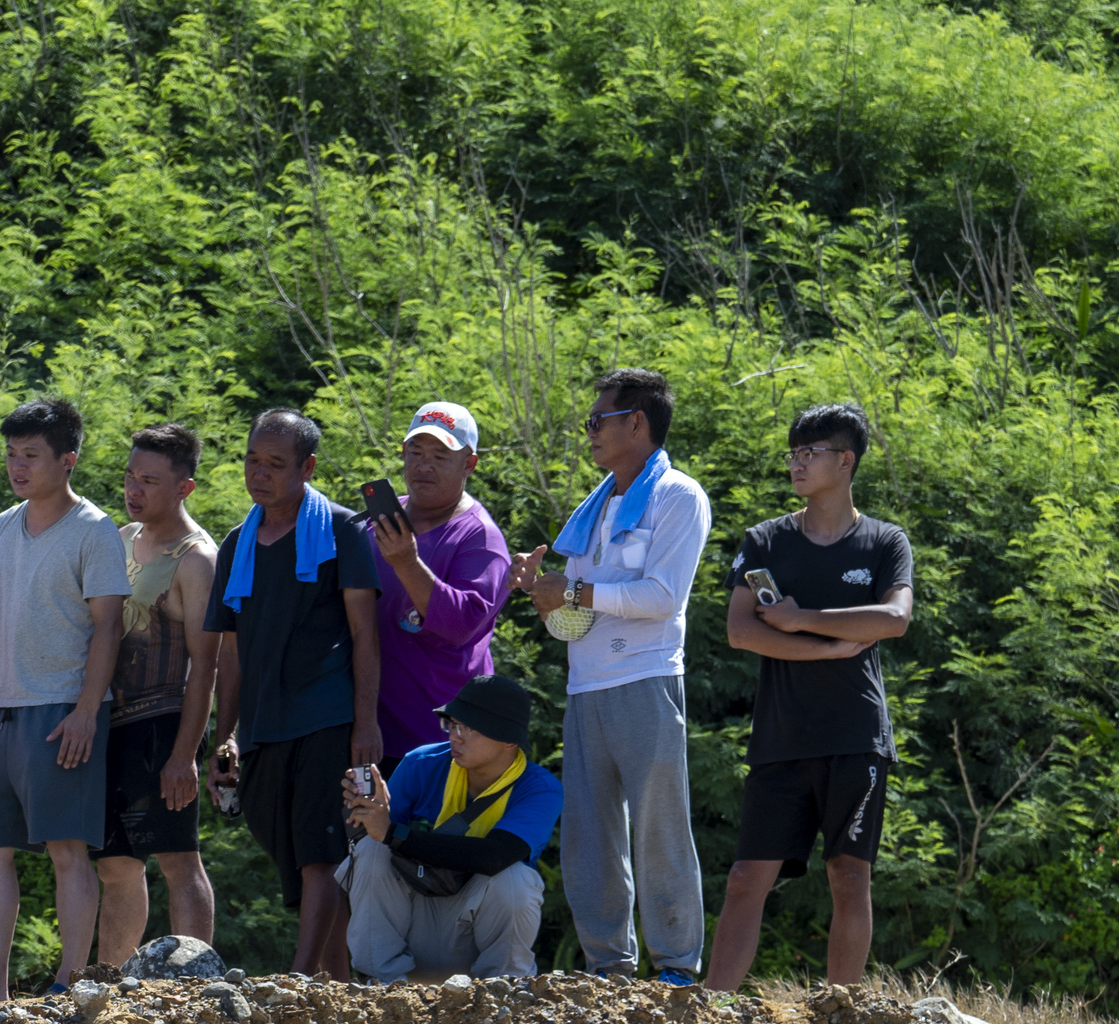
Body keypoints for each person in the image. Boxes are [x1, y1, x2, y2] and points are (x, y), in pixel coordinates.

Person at [712, 403, 915, 988]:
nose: (796, 464)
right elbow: (741, 631)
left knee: (849, 877)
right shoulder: (765, 540)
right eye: (793, 453)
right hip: (781, 736)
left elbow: (894, 619)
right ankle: (712, 1011)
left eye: (810, 453)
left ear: (846, 461)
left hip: (856, 736)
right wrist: (827, 647)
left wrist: (802, 620)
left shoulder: (885, 541)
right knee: (746, 878)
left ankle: (838, 1011)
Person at [518, 366, 712, 980]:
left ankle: (676, 968)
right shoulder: (595, 506)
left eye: (599, 420)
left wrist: (572, 590)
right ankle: (608, 969)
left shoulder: (679, 495)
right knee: (588, 836)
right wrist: (541, 593)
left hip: (647, 679)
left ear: (637, 423)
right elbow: (574, 618)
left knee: (659, 830)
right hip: (586, 684)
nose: (591, 431)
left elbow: (662, 597)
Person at [0, 395, 127, 1000]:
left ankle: (69, 983)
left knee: (66, 850)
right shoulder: (4, 523)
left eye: (30, 455)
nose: (17, 466)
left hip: (62, 710)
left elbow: (109, 625)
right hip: (1, 712)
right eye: (11, 455)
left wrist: (86, 711)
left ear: (67, 460)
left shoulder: (95, 530)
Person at [202, 408, 384, 977]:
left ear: (307, 468)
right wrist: (225, 735)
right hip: (263, 723)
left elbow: (364, 634)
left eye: (275, 464)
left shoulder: (343, 530)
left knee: (319, 853)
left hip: (325, 713)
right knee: (290, 850)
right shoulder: (237, 544)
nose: (259, 473)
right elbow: (230, 652)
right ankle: (338, 984)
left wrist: (365, 721)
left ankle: (300, 980)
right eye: (252, 460)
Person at [343, 671, 559, 983]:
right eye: (453, 724)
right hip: (413, 928)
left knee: (516, 878)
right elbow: (372, 843)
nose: (455, 736)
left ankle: (505, 988)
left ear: (509, 741)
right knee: (371, 850)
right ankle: (384, 984)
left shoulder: (538, 788)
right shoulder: (421, 763)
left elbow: (495, 856)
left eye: (469, 728)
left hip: (470, 936)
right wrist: (361, 815)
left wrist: (394, 833)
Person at [96, 423, 217, 958]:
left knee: (178, 858)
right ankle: (111, 978)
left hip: (164, 722)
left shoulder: (197, 558)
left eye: (149, 480)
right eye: (130, 476)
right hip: (110, 723)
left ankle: (196, 977)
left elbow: (207, 666)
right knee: (115, 865)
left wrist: (185, 755)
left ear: (183, 487)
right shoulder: (121, 537)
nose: (134, 489)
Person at [361, 401, 511, 754]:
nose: (423, 466)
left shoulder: (479, 537)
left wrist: (406, 563)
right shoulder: (379, 521)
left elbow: (460, 625)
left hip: (441, 741)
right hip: (369, 733)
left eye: (440, 456)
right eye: (416, 452)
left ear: (469, 464)